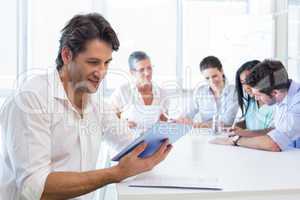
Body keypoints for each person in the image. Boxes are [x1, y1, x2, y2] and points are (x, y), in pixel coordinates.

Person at [0, 13, 172, 200]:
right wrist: (115, 173)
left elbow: (130, 145)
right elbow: (35, 188)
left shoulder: (95, 103)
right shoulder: (30, 99)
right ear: (66, 55)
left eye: (106, 63)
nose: (102, 73)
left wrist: (158, 141)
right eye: (93, 62)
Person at [211, 59, 300, 151]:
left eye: (258, 95)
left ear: (274, 93)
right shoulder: (282, 93)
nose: (256, 98)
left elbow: (274, 144)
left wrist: (236, 140)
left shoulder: (297, 103)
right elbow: (277, 132)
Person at [110, 51, 169, 129]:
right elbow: (110, 122)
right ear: (132, 72)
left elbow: (164, 122)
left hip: (153, 140)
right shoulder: (122, 92)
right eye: (141, 70)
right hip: (129, 139)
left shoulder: (162, 93)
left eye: (149, 68)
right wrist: (123, 125)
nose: (147, 73)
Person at [177, 56, 238, 128]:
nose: (212, 81)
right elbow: (187, 114)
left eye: (214, 76)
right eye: (207, 78)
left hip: (226, 134)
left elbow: (228, 121)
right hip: (205, 134)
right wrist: (182, 119)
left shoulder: (234, 92)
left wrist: (204, 125)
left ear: (221, 71)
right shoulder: (200, 92)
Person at [230, 60, 275, 137]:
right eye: (243, 83)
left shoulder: (274, 102)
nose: (246, 87)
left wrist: (246, 133)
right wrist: (238, 126)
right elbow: (253, 121)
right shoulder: (251, 101)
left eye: (249, 80)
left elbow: (276, 131)